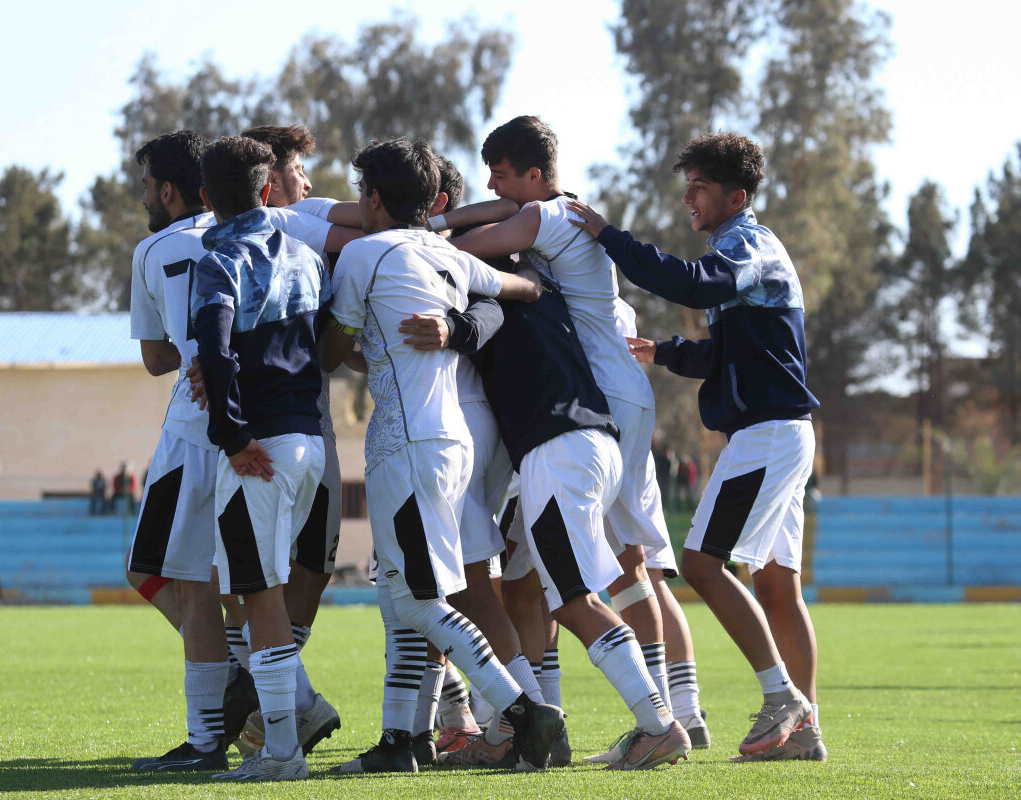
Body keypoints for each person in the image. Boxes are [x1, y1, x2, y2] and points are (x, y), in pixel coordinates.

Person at [565, 131, 825, 762]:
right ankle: (804, 731)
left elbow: (693, 285)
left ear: (737, 197)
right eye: (689, 186)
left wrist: (610, 236)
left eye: (700, 187)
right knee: (777, 586)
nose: (688, 198)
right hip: (783, 433)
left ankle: (783, 700)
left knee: (703, 565)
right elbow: (731, 353)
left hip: (767, 436)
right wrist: (667, 352)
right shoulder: (742, 249)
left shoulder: (748, 245)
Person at [450, 114, 704, 749]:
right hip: (603, 408)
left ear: (535, 174)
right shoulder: (557, 221)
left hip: (597, 407)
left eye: (501, 175)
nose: (493, 188)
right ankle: (561, 723)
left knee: (611, 575)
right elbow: (498, 219)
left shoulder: (544, 220)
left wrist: (419, 230)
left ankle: (663, 719)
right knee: (551, 574)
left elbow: (468, 249)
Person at [319, 137, 565, 774]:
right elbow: (522, 288)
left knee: (417, 600)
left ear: (374, 198)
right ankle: (401, 741)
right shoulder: (447, 255)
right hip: (453, 440)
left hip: (406, 443)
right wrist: (481, 312)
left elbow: (330, 350)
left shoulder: (365, 254)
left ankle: (523, 711)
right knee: (398, 594)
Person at [190, 135, 331, 783]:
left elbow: (216, 352)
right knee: (258, 589)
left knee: (259, 595)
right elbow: (322, 342)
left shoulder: (218, 260)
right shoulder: (307, 255)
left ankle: (281, 752)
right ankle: (285, 737)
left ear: (204, 197)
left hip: (260, 448)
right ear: (269, 191)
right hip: (310, 440)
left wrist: (231, 435)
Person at [125, 130, 256, 774]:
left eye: (148, 187)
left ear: (170, 190)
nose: (145, 198)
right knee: (245, 578)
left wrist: (195, 348)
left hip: (194, 423)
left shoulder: (153, 248)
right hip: (263, 418)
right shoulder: (255, 231)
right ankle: (258, 690)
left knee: (173, 574)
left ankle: (214, 730)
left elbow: (156, 358)